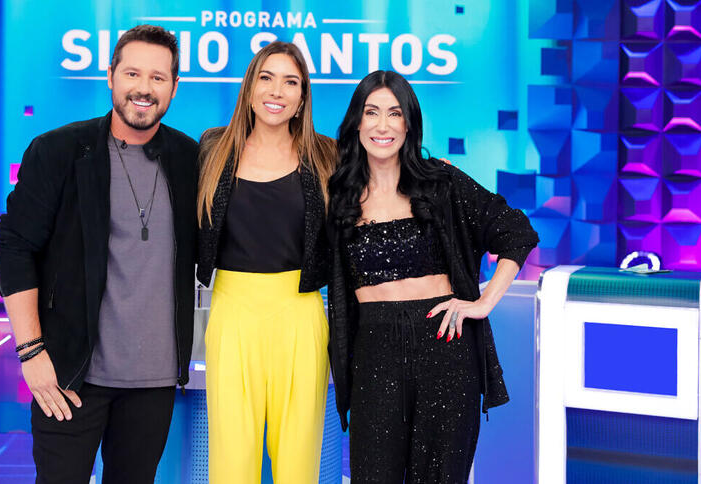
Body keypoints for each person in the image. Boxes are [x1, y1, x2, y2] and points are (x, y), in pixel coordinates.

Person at [0, 25, 198, 483]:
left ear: (174, 86)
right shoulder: (58, 151)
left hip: (154, 382)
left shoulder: (189, 158)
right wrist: (31, 354)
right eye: (132, 73)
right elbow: (14, 249)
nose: (143, 89)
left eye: (158, 78)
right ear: (110, 77)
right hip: (69, 377)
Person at [327, 70, 539, 483]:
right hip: (374, 354)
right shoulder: (338, 195)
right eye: (372, 112)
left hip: (445, 347)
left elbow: (516, 231)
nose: (383, 125)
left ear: (409, 123)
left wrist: (483, 302)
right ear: (356, 122)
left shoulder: (440, 183)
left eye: (394, 113)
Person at [195, 41, 337, 484]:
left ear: (302, 97)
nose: (277, 91)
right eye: (267, 77)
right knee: (232, 463)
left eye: (290, 81)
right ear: (250, 87)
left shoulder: (327, 155)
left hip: (301, 315)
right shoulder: (213, 147)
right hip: (232, 315)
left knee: (298, 463)